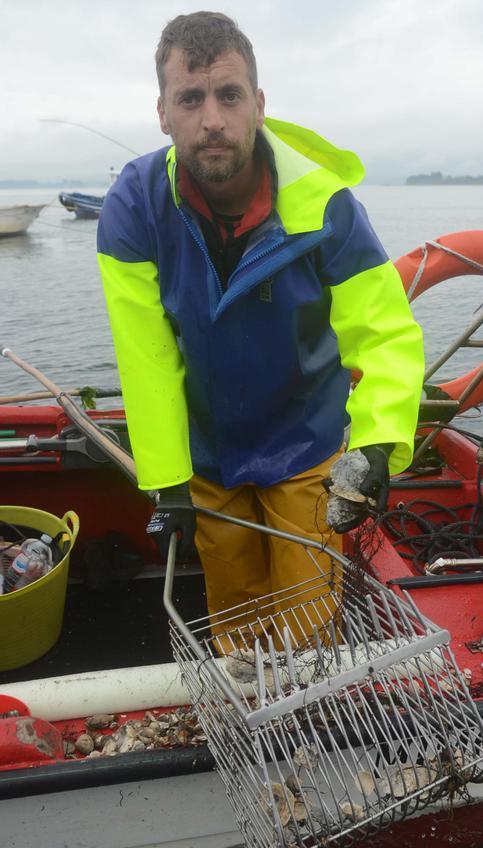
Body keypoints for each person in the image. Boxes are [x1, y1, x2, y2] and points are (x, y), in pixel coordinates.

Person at [97, 11, 424, 637]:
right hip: (208, 455)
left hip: (307, 446)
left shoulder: (326, 206)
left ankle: (307, 721)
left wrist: (378, 443)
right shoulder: (133, 206)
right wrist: (167, 483)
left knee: (306, 629)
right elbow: (147, 355)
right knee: (237, 624)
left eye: (229, 95)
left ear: (259, 104)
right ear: (163, 112)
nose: (212, 119)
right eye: (190, 99)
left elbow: (385, 333)